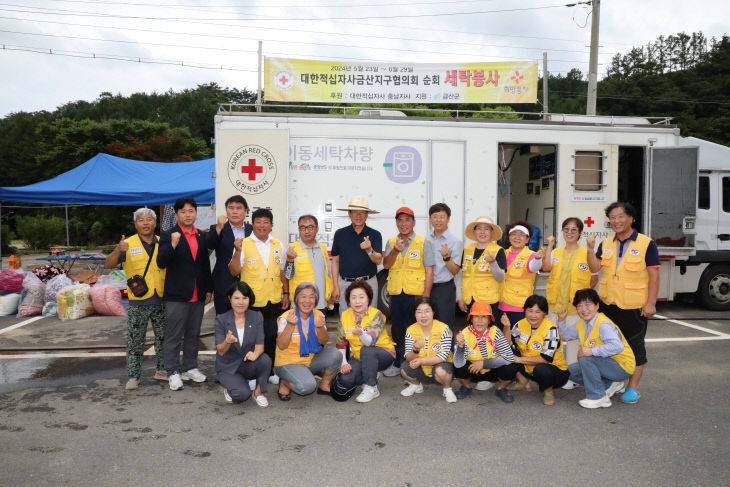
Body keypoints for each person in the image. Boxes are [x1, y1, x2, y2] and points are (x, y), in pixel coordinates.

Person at [587, 201, 659, 404]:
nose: (616, 221)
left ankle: (633, 387)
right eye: (612, 218)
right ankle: (614, 381)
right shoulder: (606, 243)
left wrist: (651, 302)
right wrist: (591, 250)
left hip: (633, 306)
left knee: (635, 347)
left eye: (620, 216)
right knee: (609, 345)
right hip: (608, 304)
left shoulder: (646, 243)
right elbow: (595, 268)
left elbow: (654, 275)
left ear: (630, 218)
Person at [105, 208, 167, 390]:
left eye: (149, 219)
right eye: (141, 220)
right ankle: (134, 376)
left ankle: (162, 370)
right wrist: (118, 249)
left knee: (163, 338)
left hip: (161, 298)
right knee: (135, 340)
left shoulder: (162, 242)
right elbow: (109, 264)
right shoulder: (127, 244)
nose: (146, 223)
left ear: (155, 223)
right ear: (135, 224)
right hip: (138, 300)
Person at [156, 197, 213, 391]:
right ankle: (172, 371)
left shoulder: (200, 236)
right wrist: (172, 245)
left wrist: (208, 289)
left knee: (193, 333)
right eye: (183, 211)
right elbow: (161, 262)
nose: (188, 215)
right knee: (173, 335)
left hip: (198, 293)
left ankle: (190, 367)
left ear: (196, 214)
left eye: (191, 211)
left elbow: (205, 265)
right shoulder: (169, 235)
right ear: (177, 214)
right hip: (177, 294)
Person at [229, 208, 289, 384]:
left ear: (271, 225)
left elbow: (282, 272)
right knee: (251, 338)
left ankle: (270, 371)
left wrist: (286, 293)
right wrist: (237, 251)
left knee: (271, 336)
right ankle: (251, 373)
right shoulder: (243, 244)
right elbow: (234, 271)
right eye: (258, 222)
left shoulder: (278, 244)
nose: (262, 225)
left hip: (274, 299)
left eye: (266, 222)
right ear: (252, 224)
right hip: (252, 302)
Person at [557, 288, 636, 409]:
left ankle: (598, 397)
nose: (584, 309)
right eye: (580, 306)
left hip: (622, 366)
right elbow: (567, 335)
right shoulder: (582, 323)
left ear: (597, 306)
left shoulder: (603, 324)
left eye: (588, 305)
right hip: (606, 364)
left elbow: (617, 346)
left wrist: (591, 351)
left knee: (586, 359)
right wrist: (561, 320)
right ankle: (610, 384)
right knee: (568, 372)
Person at [381, 206, 434, 377]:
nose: (403, 224)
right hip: (396, 294)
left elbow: (429, 270)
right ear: (396, 223)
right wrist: (396, 251)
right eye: (400, 220)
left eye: (407, 220)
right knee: (397, 329)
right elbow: (386, 265)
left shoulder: (423, 242)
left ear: (414, 222)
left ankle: (415, 365)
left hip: (416, 295)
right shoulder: (391, 242)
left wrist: (426, 296)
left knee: (416, 330)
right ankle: (399, 363)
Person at [542, 217, 599, 366]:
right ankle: (555, 370)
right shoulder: (556, 252)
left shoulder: (586, 253)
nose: (569, 232)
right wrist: (549, 246)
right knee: (553, 340)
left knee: (574, 342)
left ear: (580, 233)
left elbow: (594, 273)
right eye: (566, 229)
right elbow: (546, 268)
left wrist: (591, 249)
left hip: (576, 308)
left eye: (574, 230)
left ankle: (573, 375)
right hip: (555, 305)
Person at [274, 283, 341, 400]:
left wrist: (320, 328)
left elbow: (324, 341)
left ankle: (324, 385)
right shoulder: (286, 317)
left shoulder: (318, 315)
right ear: (296, 299)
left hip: (309, 359)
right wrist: (290, 325)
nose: (307, 301)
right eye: (303, 296)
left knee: (335, 354)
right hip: (289, 363)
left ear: (315, 300)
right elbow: (281, 345)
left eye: (311, 297)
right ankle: (285, 382)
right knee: (307, 387)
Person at [336, 281, 396, 403]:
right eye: (353, 297)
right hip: (359, 357)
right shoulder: (344, 316)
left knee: (367, 350)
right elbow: (340, 343)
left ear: (368, 299)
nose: (358, 301)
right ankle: (371, 373)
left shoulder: (377, 314)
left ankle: (372, 387)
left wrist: (362, 333)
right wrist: (343, 363)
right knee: (346, 379)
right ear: (349, 301)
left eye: (361, 297)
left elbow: (369, 343)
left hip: (384, 353)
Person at [214, 282, 271, 408]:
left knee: (265, 360)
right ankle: (231, 386)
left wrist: (255, 354)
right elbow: (221, 351)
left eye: (245, 298)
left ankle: (258, 393)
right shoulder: (221, 319)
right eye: (237, 298)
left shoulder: (256, 317)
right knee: (241, 395)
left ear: (249, 299)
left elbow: (260, 345)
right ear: (229, 299)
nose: (241, 302)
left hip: (247, 362)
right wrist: (227, 342)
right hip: (228, 366)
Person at [507, 295, 569, 406]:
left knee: (542, 369)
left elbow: (545, 359)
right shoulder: (520, 325)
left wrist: (518, 360)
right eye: (530, 311)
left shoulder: (551, 330)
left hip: (555, 372)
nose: (533, 315)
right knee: (506, 352)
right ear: (525, 311)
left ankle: (548, 391)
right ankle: (523, 383)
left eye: (537, 312)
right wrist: (506, 326)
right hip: (528, 365)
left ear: (544, 313)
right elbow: (508, 343)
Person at [453, 302, 517, 403]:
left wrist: (484, 363)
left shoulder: (495, 332)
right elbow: (458, 363)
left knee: (511, 367)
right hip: (473, 370)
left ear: (489, 320)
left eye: (484, 317)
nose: (480, 321)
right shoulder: (465, 333)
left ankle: (501, 388)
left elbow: (508, 357)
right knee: (457, 367)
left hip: (493, 369)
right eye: (476, 317)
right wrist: (460, 346)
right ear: (471, 319)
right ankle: (466, 387)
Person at [330, 196, 383, 313]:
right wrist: (335, 286)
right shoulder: (340, 234)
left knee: (370, 321)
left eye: (362, 212)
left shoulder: (375, 234)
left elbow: (378, 260)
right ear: (349, 213)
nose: (358, 216)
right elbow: (335, 261)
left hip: (369, 283)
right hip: (345, 284)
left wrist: (369, 249)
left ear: (367, 214)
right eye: (355, 212)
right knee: (346, 320)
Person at [400, 297, 457, 403]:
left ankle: (447, 388)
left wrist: (421, 361)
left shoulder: (444, 328)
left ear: (433, 312)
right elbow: (408, 357)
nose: (423, 315)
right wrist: (416, 349)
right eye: (419, 312)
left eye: (427, 311)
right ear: (414, 314)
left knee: (441, 371)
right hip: (421, 369)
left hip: (440, 367)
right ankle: (416, 385)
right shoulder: (410, 330)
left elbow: (443, 356)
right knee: (404, 368)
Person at [206, 195, 253, 315]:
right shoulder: (217, 228)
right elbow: (210, 245)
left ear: (246, 211)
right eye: (231, 208)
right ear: (226, 211)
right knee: (223, 320)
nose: (235, 211)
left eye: (238, 208)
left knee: (247, 322)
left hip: (248, 282)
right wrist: (219, 227)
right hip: (223, 283)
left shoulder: (252, 230)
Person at [498, 220, 545, 337]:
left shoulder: (531, 255)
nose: (517, 237)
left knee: (517, 340)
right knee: (502, 341)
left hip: (519, 307)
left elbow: (533, 267)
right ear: (509, 237)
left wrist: (538, 259)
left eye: (521, 235)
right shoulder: (502, 253)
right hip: (501, 305)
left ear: (527, 239)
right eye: (514, 234)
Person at [457, 216, 506, 324]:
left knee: (490, 334)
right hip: (470, 300)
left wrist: (493, 263)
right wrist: (460, 298)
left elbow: (500, 277)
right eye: (479, 228)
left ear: (492, 232)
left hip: (489, 301)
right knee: (473, 334)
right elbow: (461, 275)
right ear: (474, 231)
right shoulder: (467, 249)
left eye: (486, 229)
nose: (482, 232)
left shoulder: (498, 251)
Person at [283, 215, 333, 312]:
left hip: (321, 303)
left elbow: (328, 275)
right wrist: (289, 260)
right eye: (303, 228)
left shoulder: (322, 248)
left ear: (317, 228)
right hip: (300, 304)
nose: (307, 231)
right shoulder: (291, 249)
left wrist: (330, 296)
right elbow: (288, 276)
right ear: (299, 229)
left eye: (310, 227)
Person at [426, 203, 462, 333]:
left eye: (442, 216)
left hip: (444, 290)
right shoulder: (426, 240)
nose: (438, 220)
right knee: (427, 325)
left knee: (444, 326)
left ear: (448, 219)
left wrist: (446, 257)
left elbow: (455, 270)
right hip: (426, 288)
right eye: (435, 216)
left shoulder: (455, 241)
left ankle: (448, 353)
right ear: (430, 219)